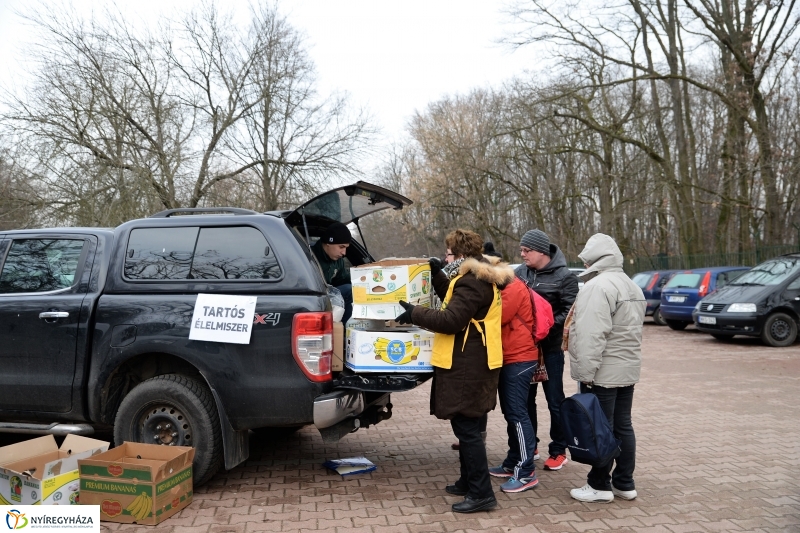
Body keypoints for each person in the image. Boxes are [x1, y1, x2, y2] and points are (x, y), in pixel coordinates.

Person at [395, 229, 509, 513]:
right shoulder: (478, 278)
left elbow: (452, 319)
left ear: (459, 256)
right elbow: (456, 300)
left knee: (467, 428)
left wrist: (414, 313)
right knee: (467, 425)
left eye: (447, 254)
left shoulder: (472, 282)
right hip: (475, 361)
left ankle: (482, 493)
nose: (446, 257)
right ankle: (468, 481)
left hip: (468, 364)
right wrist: (437, 275)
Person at [566, 233, 646, 503]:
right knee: (623, 426)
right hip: (626, 368)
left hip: (602, 371)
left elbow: (591, 335)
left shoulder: (597, 287)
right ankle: (625, 482)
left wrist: (585, 375)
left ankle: (599, 485)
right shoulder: (632, 285)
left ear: (592, 259)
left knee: (601, 428)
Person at [514, 229, 579, 471]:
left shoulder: (565, 277)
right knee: (526, 401)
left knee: (554, 400)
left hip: (550, 349)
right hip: (524, 350)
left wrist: (544, 326)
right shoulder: (519, 273)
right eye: (521, 250)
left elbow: (569, 313)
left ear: (541, 251)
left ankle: (559, 449)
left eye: (526, 250)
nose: (522, 254)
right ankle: (530, 446)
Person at [486, 258, 540, 493]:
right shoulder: (508, 285)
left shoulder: (513, 287)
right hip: (513, 357)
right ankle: (512, 462)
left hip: (519, 358)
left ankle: (525, 472)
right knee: (513, 413)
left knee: (518, 415)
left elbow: (498, 317)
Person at [311, 222, 353, 322]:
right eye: (341, 247)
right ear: (329, 243)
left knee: (353, 289)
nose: (344, 253)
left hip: (330, 295)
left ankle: (342, 331)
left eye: (346, 248)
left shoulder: (338, 261)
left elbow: (342, 280)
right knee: (348, 289)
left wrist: (362, 277)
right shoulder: (309, 257)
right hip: (314, 298)